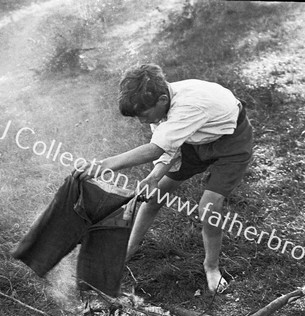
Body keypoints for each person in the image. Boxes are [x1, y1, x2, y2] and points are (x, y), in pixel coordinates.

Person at [73, 64, 253, 293]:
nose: (141, 121)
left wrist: (104, 165)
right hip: (194, 142)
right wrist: (154, 177)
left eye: (144, 115)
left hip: (231, 142)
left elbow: (155, 150)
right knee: (154, 195)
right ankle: (130, 247)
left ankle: (211, 267)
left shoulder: (189, 106)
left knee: (209, 208)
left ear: (161, 99)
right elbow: (168, 146)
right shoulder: (161, 104)